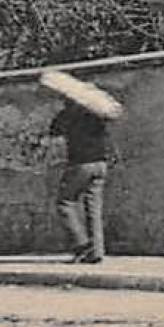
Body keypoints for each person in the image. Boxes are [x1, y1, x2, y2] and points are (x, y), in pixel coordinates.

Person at [49, 101, 113, 264]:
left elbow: (54, 133)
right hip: (101, 163)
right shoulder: (96, 111)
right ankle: (97, 251)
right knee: (94, 209)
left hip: (80, 164)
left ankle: (82, 245)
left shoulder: (68, 114)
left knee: (64, 203)